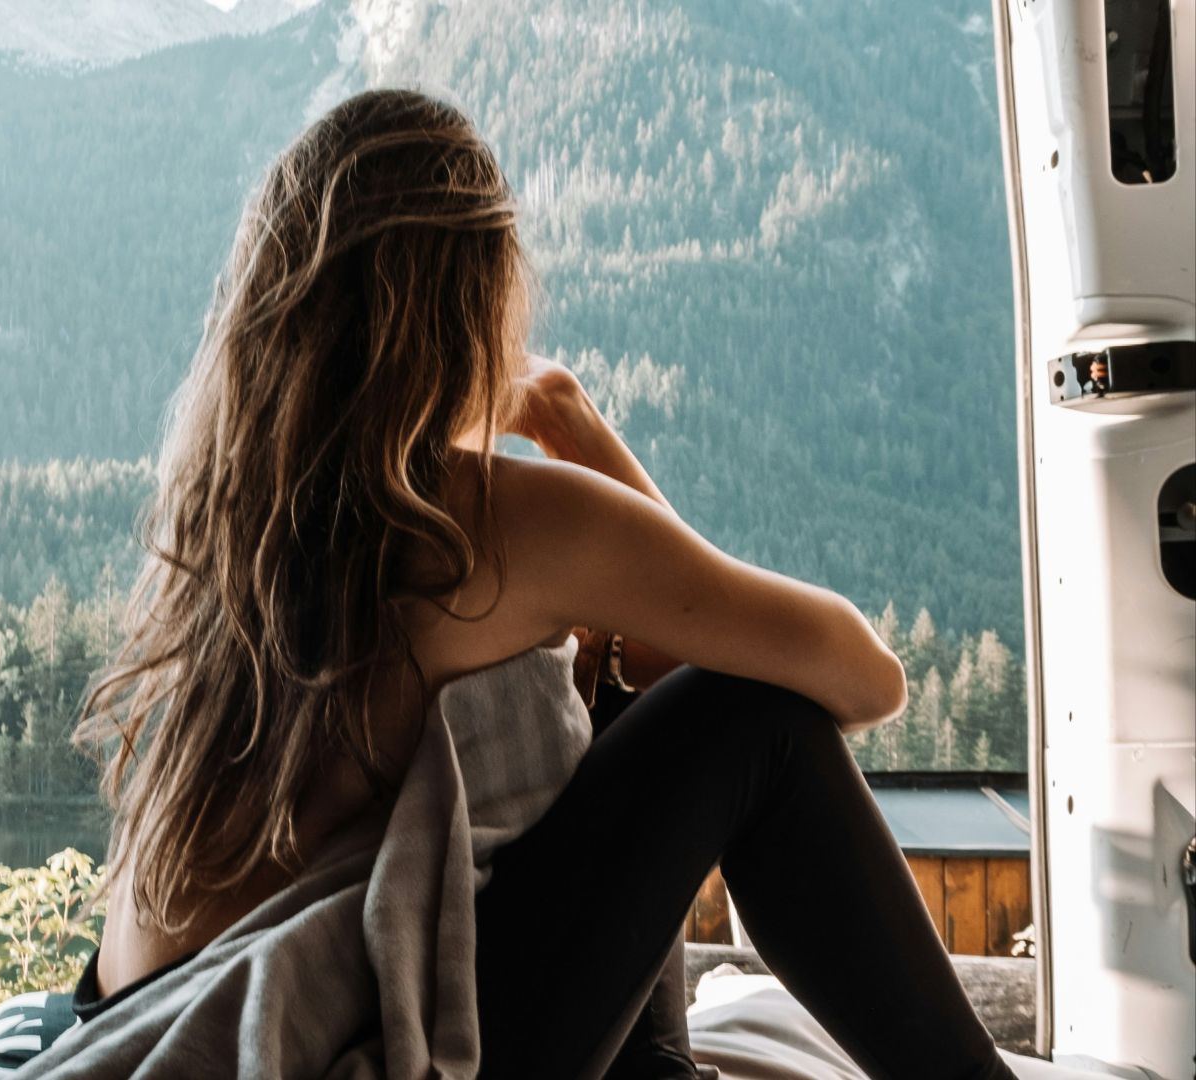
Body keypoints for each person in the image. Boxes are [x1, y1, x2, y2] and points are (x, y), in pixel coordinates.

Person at [61, 88, 1017, 1080]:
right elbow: (863, 680)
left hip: (128, 1021)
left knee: (598, 699)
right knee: (752, 718)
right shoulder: (481, 517)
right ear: (473, 303)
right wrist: (571, 423)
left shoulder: (231, 527)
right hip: (289, 1057)